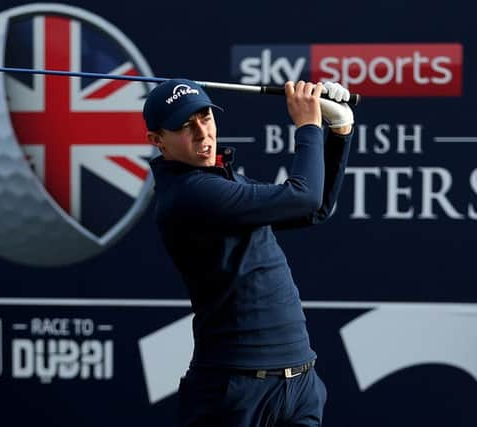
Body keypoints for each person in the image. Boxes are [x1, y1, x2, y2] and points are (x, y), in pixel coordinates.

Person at [143, 78, 353, 427]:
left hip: (298, 383)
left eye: (206, 117)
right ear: (157, 141)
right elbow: (303, 196)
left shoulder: (226, 183)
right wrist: (308, 125)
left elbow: (311, 210)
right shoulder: (188, 195)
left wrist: (340, 131)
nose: (202, 133)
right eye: (184, 126)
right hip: (236, 392)